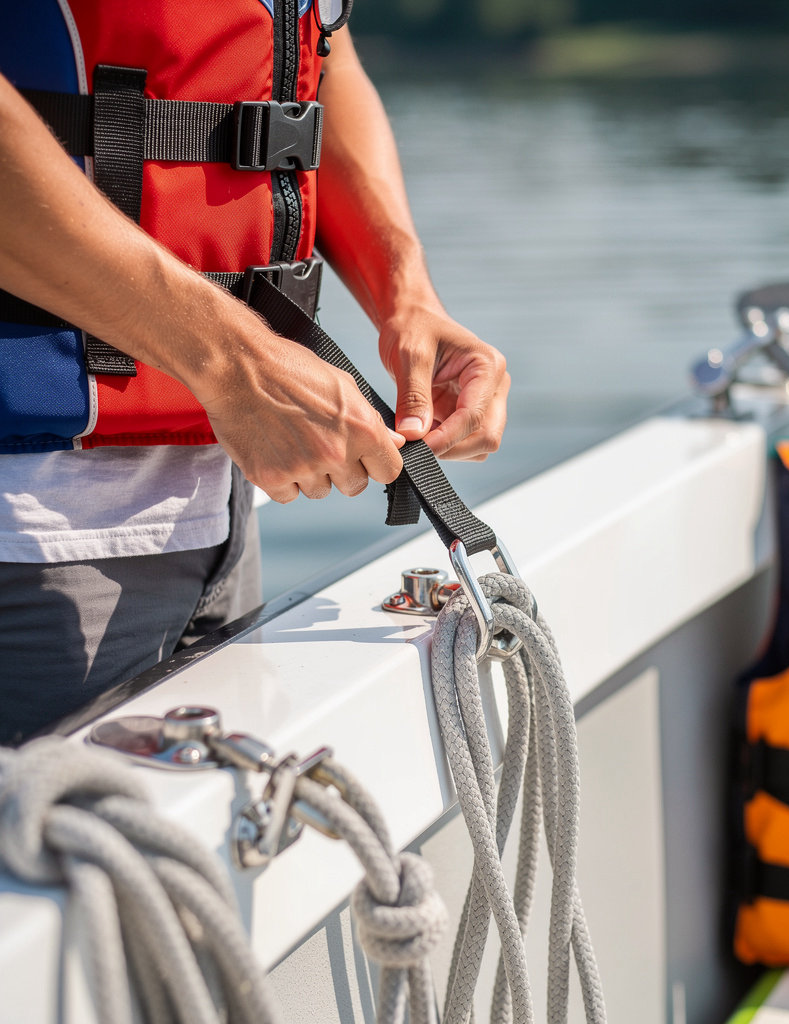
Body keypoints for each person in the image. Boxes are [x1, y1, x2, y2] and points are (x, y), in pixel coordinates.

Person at [0, 5, 510, 744]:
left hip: (225, 506)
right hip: (31, 531)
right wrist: (232, 359)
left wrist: (406, 298)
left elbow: (320, 53)